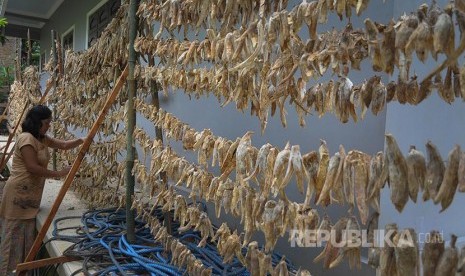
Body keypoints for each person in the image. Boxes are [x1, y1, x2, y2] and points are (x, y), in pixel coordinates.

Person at [0, 105, 84, 275]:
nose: (49, 126)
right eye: (47, 123)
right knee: (14, 241)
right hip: (18, 195)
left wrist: (84, 139)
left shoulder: (41, 138)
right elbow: (32, 167)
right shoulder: (26, 139)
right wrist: (59, 173)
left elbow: (64, 145)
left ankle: (22, 272)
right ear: (37, 123)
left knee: (27, 241)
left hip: (30, 197)